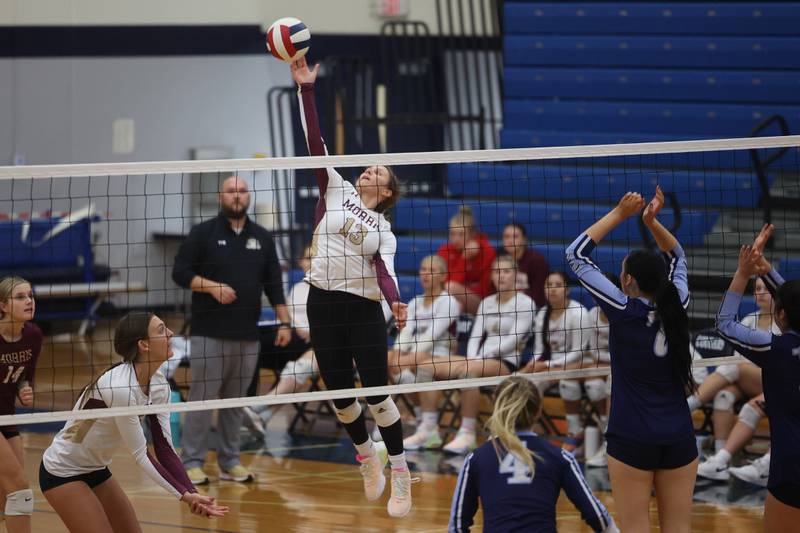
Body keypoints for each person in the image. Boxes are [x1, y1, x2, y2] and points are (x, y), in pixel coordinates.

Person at [292, 57, 414, 517]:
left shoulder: (384, 229)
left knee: (376, 393)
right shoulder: (336, 190)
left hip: (362, 308)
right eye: (369, 167)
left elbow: (384, 271)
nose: (369, 171)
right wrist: (307, 90)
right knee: (339, 394)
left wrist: (396, 301)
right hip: (321, 300)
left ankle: (399, 470)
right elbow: (314, 142)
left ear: (386, 192)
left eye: (378, 172)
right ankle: (367, 457)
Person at [566, 187, 698, 533]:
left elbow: (576, 255)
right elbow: (679, 258)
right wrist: (652, 222)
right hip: (678, 435)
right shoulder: (678, 303)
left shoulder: (624, 309)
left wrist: (621, 214)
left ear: (628, 281)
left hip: (632, 435)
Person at [40, 312, 228, 532]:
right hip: (62, 470)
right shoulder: (120, 387)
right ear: (143, 345)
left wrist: (192, 492)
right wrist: (184, 496)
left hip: (96, 469)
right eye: (161, 330)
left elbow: (165, 448)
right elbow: (141, 454)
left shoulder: (159, 384)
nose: (171, 333)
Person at [172, 174, 292, 485]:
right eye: (231, 191)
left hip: (247, 335)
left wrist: (285, 322)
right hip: (208, 332)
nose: (237, 196)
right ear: (220, 196)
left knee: (235, 403)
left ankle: (230, 462)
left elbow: (274, 285)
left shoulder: (263, 237)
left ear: (248, 196)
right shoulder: (203, 233)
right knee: (203, 400)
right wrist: (211, 287)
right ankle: (192, 462)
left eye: (242, 191)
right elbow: (180, 272)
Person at [448, 376, 618, 533]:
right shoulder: (560, 457)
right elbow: (598, 516)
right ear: (538, 411)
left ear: (496, 408)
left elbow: (457, 526)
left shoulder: (476, 459)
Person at [716, 223, 800, 530]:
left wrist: (744, 272)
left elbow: (724, 323)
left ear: (780, 315)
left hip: (790, 464)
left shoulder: (773, 348)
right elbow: (793, 304)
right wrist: (765, 269)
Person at [413, 255, 534, 455]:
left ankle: (467, 433)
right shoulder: (487, 302)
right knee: (425, 366)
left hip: (505, 361)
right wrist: (472, 356)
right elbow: (476, 335)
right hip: (478, 359)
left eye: (506, 271)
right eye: (496, 271)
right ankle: (429, 429)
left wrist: (481, 357)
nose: (501, 276)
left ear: (516, 275)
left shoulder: (525, 303)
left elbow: (514, 339)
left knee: (468, 372)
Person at [687, 277, 774, 452]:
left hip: (772, 382)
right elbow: (737, 354)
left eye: (766, 289)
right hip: (745, 379)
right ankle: (720, 458)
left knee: (736, 366)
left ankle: (687, 406)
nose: (761, 293)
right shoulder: (750, 319)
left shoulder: (783, 321)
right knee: (723, 397)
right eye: (757, 288)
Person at [386, 255, 460, 448]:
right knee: (384, 360)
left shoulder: (449, 302)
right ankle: (419, 420)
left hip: (440, 354)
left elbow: (432, 336)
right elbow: (406, 332)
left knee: (406, 364)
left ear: (444, 276)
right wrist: (397, 352)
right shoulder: (415, 302)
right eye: (423, 270)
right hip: (415, 354)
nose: (425, 274)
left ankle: (427, 425)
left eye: (432, 270)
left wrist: (406, 359)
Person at [243, 245, 316, 433]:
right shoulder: (298, 288)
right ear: (300, 262)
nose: (312, 262)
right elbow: (289, 316)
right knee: (253, 346)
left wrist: (309, 332)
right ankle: (249, 407)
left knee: (292, 363)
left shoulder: (329, 287)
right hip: (291, 339)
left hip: (312, 344)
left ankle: (253, 408)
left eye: (316, 257)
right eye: (308, 257)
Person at [521, 271, 593, 455]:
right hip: (552, 365)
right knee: (524, 382)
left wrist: (546, 365)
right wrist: (532, 365)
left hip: (578, 363)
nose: (552, 289)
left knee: (568, 383)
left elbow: (579, 352)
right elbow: (538, 350)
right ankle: (529, 431)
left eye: (557, 285)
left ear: (567, 290)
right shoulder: (543, 314)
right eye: (548, 285)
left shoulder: (578, 313)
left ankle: (575, 432)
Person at [0, 277, 41, 533]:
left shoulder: (34, 335)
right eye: (20, 297)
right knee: (19, 485)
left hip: (6, 417)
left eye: (30, 295)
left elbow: (26, 376)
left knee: (5, 494)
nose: (29, 301)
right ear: (3, 306)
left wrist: (25, 389)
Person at [438, 206, 496, 315]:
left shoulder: (487, 251)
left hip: (483, 303)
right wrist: (464, 259)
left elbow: (485, 289)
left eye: (461, 234)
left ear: (472, 234)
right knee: (454, 302)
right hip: (451, 300)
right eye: (452, 234)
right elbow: (442, 285)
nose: (456, 239)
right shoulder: (444, 250)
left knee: (451, 288)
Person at [501, 222, 549, 307]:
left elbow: (538, 295)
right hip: (503, 306)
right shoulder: (499, 259)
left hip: (530, 307)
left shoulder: (536, 261)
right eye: (506, 237)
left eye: (515, 237)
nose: (510, 240)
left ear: (524, 240)